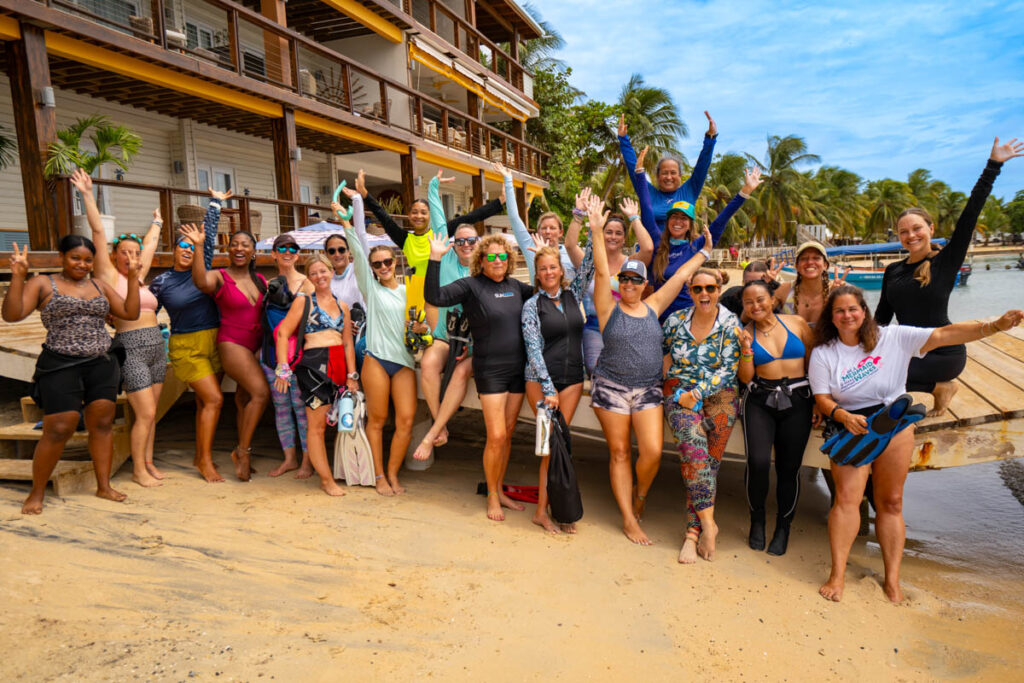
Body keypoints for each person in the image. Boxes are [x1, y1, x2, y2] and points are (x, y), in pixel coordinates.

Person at [810, 285, 1023, 602]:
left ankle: (892, 580)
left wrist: (994, 326)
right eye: (839, 311)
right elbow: (822, 399)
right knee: (846, 500)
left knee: (892, 502)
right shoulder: (824, 353)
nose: (846, 315)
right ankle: (837, 575)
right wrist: (841, 416)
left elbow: (945, 335)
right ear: (832, 317)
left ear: (864, 311)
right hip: (851, 426)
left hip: (893, 422)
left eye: (852, 309)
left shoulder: (892, 337)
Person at [585, 195, 712, 545]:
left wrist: (703, 253)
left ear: (644, 285)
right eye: (624, 280)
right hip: (610, 387)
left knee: (653, 452)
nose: (628, 285)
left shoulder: (654, 305)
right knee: (621, 452)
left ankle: (640, 495)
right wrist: (596, 230)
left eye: (635, 281)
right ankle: (628, 518)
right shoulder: (608, 309)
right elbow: (599, 271)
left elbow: (682, 276)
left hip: (647, 389)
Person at [875, 137, 1024, 416]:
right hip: (909, 350)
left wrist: (993, 166)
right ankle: (934, 389)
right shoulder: (892, 270)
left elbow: (970, 213)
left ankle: (938, 387)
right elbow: (881, 319)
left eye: (917, 228)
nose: (911, 236)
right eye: (904, 231)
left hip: (943, 353)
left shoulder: (944, 262)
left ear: (931, 229)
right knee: (867, 370)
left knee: (881, 375)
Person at [3, 237, 140, 514]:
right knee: (59, 428)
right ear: (62, 257)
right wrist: (18, 276)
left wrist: (134, 278)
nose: (82, 264)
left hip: (101, 364)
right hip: (60, 365)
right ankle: (37, 492)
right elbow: (12, 315)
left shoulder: (99, 285)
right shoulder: (42, 283)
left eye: (88, 260)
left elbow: (129, 311)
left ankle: (104, 485)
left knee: (102, 424)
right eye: (75, 258)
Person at [425, 232, 535, 522]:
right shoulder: (471, 286)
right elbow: (434, 297)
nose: (497, 261)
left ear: (508, 260)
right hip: (490, 370)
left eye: (502, 256)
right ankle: (491, 496)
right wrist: (435, 258)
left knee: (508, 434)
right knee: (496, 435)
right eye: (491, 256)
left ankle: (499, 489)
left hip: (517, 369)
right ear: (482, 261)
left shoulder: (517, 288)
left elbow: (549, 293)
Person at [70, 169, 166, 488]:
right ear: (114, 255)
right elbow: (98, 232)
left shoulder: (139, 276)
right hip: (130, 346)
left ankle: (148, 462)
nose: (130, 256)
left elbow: (151, 243)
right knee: (146, 413)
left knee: (151, 415)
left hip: (156, 344)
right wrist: (86, 194)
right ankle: (138, 469)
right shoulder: (109, 276)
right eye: (124, 252)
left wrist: (157, 222)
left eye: (134, 252)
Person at [336, 190, 416, 496]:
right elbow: (358, 249)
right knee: (379, 419)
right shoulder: (371, 289)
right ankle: (379, 474)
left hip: (404, 360)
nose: (382, 267)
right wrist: (349, 219)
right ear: (371, 269)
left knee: (406, 421)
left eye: (386, 262)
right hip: (376, 360)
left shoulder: (409, 290)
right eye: (377, 264)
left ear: (395, 262)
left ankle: (393, 473)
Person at [662, 269, 742, 563]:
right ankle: (705, 527)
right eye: (698, 289)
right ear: (690, 290)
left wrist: (697, 394)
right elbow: (659, 352)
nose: (704, 294)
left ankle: (694, 531)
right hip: (680, 392)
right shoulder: (675, 321)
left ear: (720, 289)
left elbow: (728, 370)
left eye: (711, 287)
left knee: (711, 460)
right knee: (694, 449)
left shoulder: (731, 323)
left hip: (719, 396)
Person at [357, 168, 505, 325]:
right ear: (409, 215)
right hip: (416, 294)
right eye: (414, 212)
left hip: (439, 290)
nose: (418, 216)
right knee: (415, 341)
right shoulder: (405, 239)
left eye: (423, 212)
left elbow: (472, 217)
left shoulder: (440, 235)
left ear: (430, 216)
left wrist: (500, 201)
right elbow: (383, 217)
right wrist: (365, 194)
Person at [150, 191, 229, 482]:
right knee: (215, 400)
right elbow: (145, 310)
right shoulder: (162, 282)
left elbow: (206, 237)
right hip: (186, 346)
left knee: (204, 402)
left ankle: (200, 453)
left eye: (190, 246)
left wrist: (215, 203)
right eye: (182, 245)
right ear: (173, 250)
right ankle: (204, 461)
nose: (187, 249)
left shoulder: (203, 268)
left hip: (215, 340)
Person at [521, 225, 595, 534]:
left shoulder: (572, 293)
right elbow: (533, 349)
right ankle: (541, 512)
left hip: (573, 379)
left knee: (563, 445)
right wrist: (548, 389)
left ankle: (562, 509)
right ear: (536, 274)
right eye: (543, 269)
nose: (549, 272)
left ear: (560, 269)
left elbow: (590, 263)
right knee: (548, 448)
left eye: (553, 267)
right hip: (541, 382)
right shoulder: (531, 306)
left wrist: (590, 224)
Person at [182, 224, 268, 482]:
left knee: (243, 399)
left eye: (245, 245)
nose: (239, 248)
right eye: (235, 244)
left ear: (254, 251)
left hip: (256, 344)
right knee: (260, 393)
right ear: (228, 249)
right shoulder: (219, 276)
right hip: (232, 342)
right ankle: (242, 452)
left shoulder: (260, 279)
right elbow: (199, 281)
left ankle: (243, 452)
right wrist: (198, 247)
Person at [736, 280, 816, 557]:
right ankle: (757, 520)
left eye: (760, 299)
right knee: (757, 462)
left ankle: (784, 526)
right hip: (759, 400)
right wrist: (746, 349)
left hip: (798, 399)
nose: (755, 306)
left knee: (788, 468)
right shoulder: (745, 333)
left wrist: (819, 402)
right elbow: (745, 378)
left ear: (772, 299)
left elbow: (816, 359)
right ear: (744, 308)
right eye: (748, 302)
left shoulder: (796, 323)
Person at [273, 254, 358, 497]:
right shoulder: (304, 302)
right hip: (313, 367)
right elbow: (282, 334)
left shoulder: (342, 305)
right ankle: (326, 479)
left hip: (339, 366)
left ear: (332, 272)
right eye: (314, 273)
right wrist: (282, 368)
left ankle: (332, 472)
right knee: (316, 427)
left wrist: (352, 374)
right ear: (309, 277)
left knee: (338, 423)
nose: (319, 276)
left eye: (323, 271)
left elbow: (348, 343)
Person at [641, 155, 762, 321]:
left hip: (686, 322)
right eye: (674, 217)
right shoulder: (657, 243)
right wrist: (640, 172)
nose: (678, 222)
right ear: (667, 221)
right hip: (657, 320)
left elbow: (722, 219)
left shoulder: (696, 247)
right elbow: (646, 206)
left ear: (690, 224)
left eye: (683, 218)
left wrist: (745, 192)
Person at [411, 175, 481, 461]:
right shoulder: (448, 255)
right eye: (460, 240)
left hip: (474, 340)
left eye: (471, 240)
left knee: (463, 370)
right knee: (428, 364)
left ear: (478, 243)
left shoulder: (486, 264)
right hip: (444, 335)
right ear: (454, 243)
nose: (465, 245)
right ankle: (440, 427)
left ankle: (437, 428)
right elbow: (439, 223)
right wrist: (433, 187)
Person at [564, 187, 654, 375]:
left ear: (624, 239)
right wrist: (579, 214)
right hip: (595, 326)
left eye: (618, 233)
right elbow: (570, 245)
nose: (613, 237)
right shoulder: (588, 263)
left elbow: (648, 249)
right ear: (601, 234)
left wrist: (634, 218)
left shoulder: (630, 265)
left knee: (628, 368)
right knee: (594, 367)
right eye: (608, 232)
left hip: (625, 324)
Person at [260, 233, 314, 478]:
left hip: (297, 356)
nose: (288, 252)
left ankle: (307, 461)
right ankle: (289, 458)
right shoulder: (268, 284)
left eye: (293, 248)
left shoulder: (306, 283)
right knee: (281, 407)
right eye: (282, 248)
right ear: (273, 253)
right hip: (272, 355)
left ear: (298, 254)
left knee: (301, 408)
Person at [618, 111, 718, 231]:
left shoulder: (690, 190)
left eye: (673, 173)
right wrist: (624, 139)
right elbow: (633, 167)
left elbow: (703, 165)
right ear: (657, 176)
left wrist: (710, 139)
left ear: (680, 175)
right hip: (651, 248)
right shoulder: (647, 192)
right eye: (664, 173)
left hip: (680, 248)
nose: (669, 177)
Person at [719, 260, 790, 319]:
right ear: (743, 282)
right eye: (748, 284)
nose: (753, 287)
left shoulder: (776, 295)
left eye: (759, 283)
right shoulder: (730, 297)